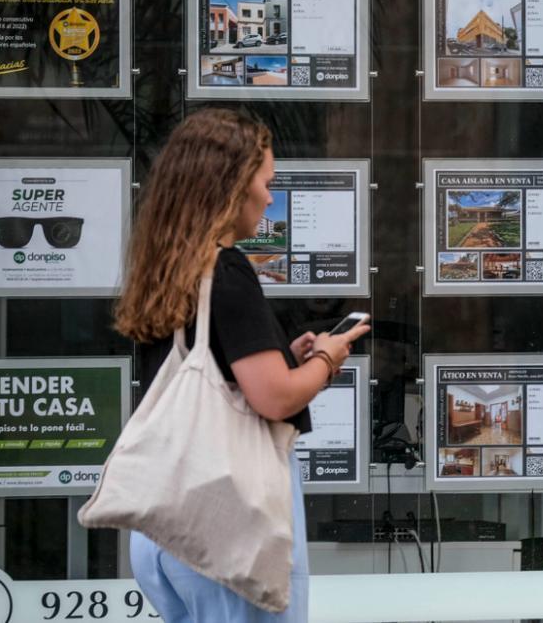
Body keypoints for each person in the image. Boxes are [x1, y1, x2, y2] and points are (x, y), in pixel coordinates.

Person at [113, 108, 369, 622]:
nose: (270, 198)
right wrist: (325, 358)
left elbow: (222, 369)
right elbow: (273, 397)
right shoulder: (227, 271)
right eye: (265, 182)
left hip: (167, 524)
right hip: (229, 525)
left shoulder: (170, 268)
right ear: (230, 186)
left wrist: (285, 356)